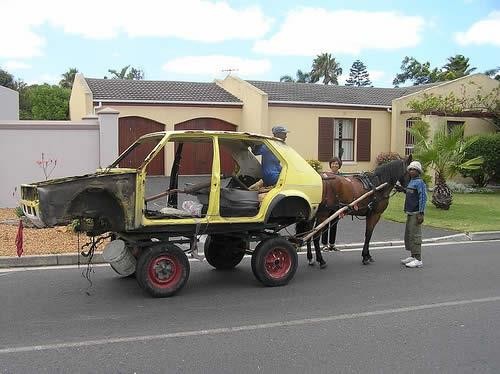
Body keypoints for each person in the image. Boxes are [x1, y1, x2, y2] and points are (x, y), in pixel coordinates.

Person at [400, 160, 427, 268]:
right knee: (409, 235)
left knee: (415, 236)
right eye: (410, 169)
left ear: (418, 171)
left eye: (414, 169)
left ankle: (418, 259)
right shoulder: (411, 181)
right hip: (410, 212)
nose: (411, 171)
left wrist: (421, 213)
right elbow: (410, 192)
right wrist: (403, 190)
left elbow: (423, 198)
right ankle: (412, 256)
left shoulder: (420, 182)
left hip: (416, 213)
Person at [321, 156, 342, 251]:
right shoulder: (326, 175)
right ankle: (324, 244)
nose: (335, 165)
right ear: (330, 165)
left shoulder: (342, 177)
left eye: (337, 163)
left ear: (339, 166)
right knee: (325, 224)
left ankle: (332, 244)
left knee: (334, 224)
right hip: (327, 203)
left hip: (336, 204)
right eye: (333, 163)